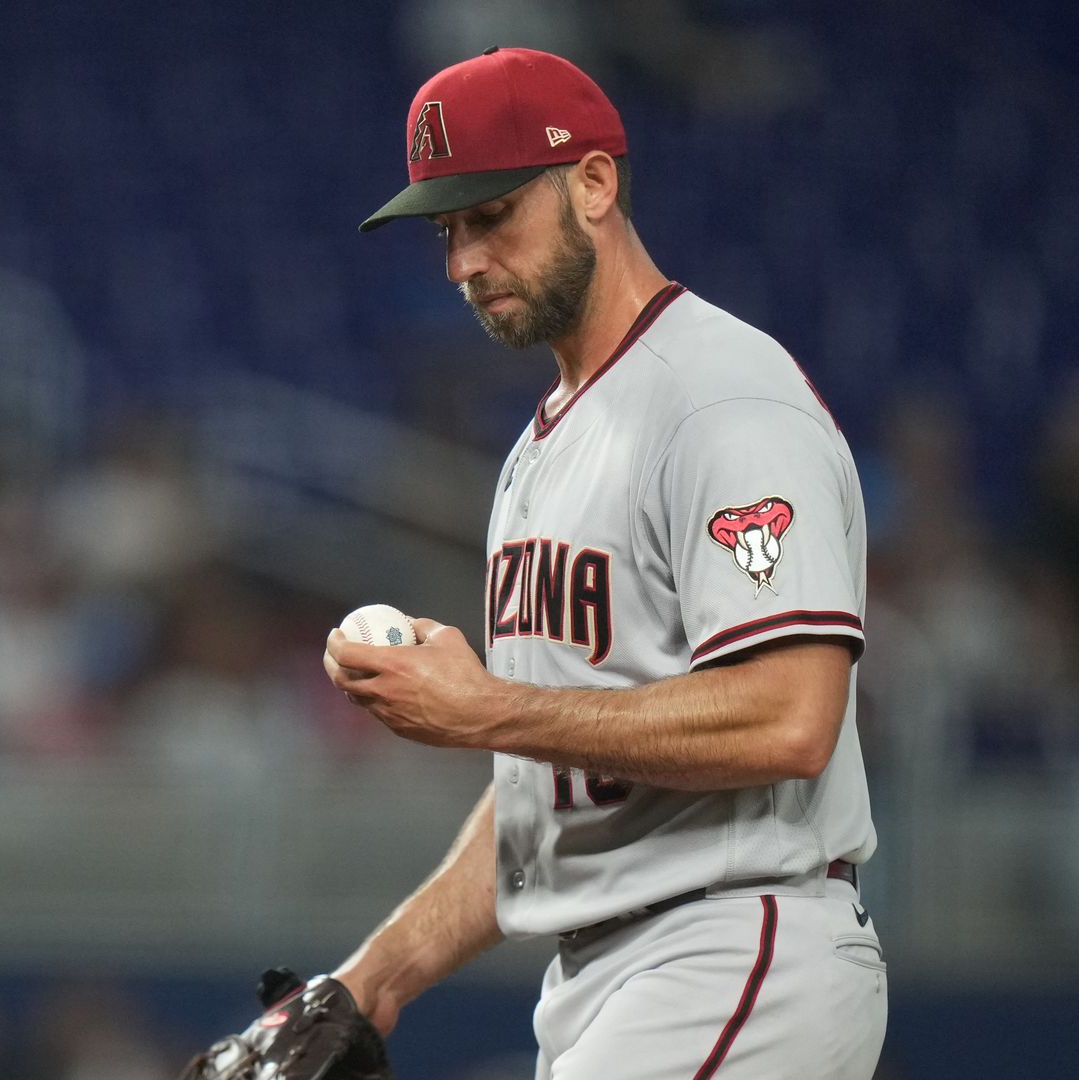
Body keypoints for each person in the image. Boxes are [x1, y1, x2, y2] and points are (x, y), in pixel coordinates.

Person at [324, 48, 885, 1077]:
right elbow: (558, 784)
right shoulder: (542, 449)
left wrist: (487, 709)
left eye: (492, 215)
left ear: (594, 181)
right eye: (446, 230)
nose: (462, 262)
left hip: (733, 946)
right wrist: (372, 983)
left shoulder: (720, 398)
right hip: (610, 976)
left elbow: (792, 715)